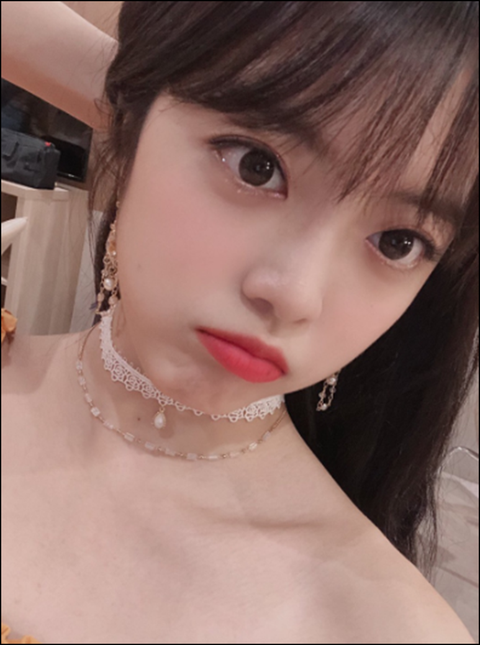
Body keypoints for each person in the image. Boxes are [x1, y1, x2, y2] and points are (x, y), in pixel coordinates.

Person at [1, 1, 478, 643]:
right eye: (257, 165)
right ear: (131, 121)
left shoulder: (382, 627)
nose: (295, 294)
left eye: (398, 243)